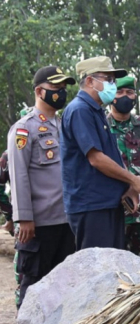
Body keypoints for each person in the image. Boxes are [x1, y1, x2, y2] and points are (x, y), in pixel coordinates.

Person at [61, 56, 140, 251]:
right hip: (91, 206)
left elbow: (111, 155)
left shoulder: (96, 111)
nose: (112, 85)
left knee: (110, 269)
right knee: (95, 272)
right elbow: (96, 159)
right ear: (90, 81)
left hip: (105, 204)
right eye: (108, 79)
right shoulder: (80, 110)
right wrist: (133, 179)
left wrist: (128, 186)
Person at [8, 66, 77, 308]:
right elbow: (18, 174)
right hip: (39, 223)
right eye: (55, 88)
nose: (61, 93)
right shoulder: (25, 128)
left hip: (66, 220)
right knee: (34, 283)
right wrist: (24, 217)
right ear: (39, 91)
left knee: (64, 286)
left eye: (63, 88)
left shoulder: (64, 125)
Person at [107, 76, 140, 262]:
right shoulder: (102, 127)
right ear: (111, 95)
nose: (125, 96)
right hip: (114, 211)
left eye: (129, 92)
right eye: (120, 92)